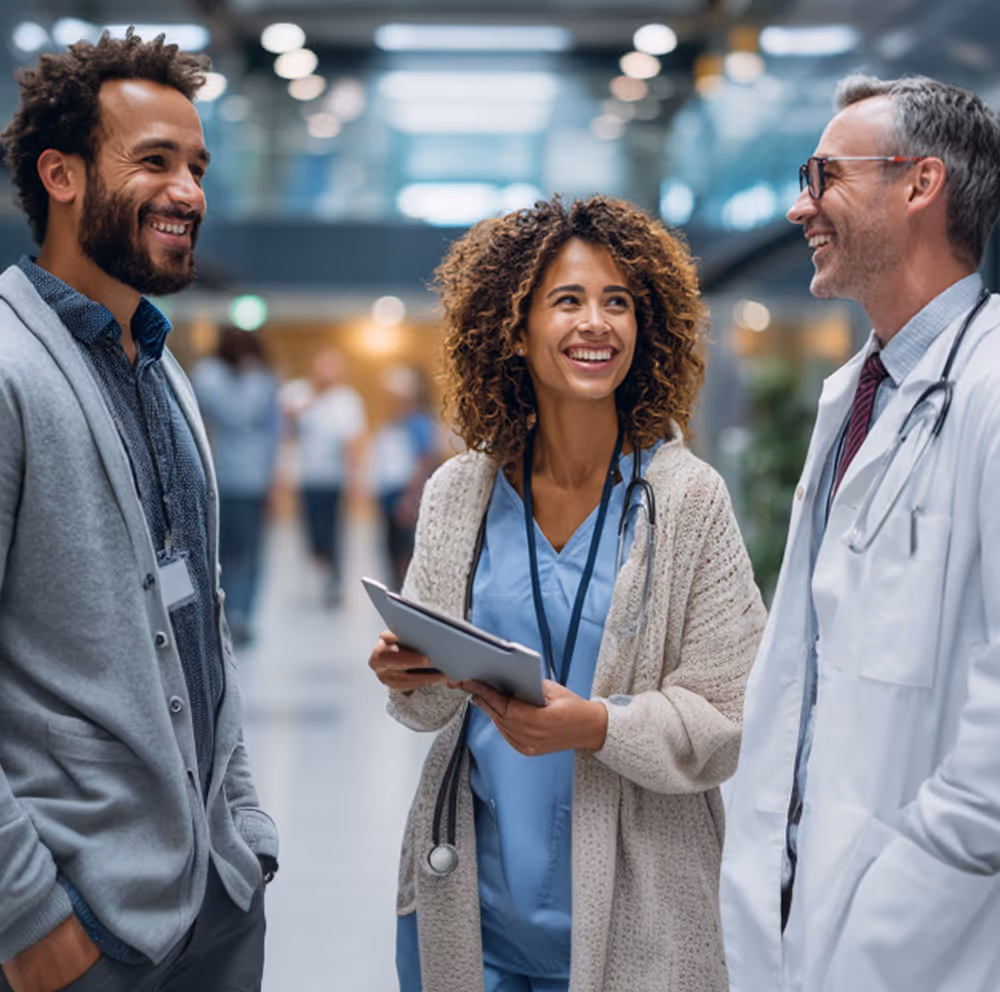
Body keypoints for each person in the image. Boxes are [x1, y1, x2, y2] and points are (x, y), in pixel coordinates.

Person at [368, 195, 766, 992]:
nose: (598, 323)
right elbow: (425, 712)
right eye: (569, 300)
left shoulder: (687, 502)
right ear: (514, 329)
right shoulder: (461, 494)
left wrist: (597, 726)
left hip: (640, 918)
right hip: (470, 913)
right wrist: (407, 674)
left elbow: (732, 716)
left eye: (619, 302)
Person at [0, 29, 277, 992]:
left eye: (197, 166)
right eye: (154, 161)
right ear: (61, 175)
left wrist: (247, 833)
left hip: (215, 900)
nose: (189, 191)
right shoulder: (8, 370)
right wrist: (29, 918)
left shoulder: (163, 373)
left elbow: (202, 629)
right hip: (80, 926)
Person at [720, 75, 1000, 992]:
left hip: (923, 933)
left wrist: (896, 912)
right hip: (809, 900)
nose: (802, 205)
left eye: (824, 176)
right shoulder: (852, 396)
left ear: (920, 185)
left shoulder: (992, 395)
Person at [193, 326, 281, 645]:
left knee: (225, 552)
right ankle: (238, 614)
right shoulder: (260, 380)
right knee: (245, 553)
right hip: (239, 480)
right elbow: (271, 435)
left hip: (227, 479)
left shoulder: (208, 376)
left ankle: (231, 614)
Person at [287, 349, 365, 605]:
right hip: (307, 477)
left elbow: (352, 442)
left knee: (334, 532)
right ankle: (320, 568)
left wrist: (354, 479)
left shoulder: (347, 400)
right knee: (313, 532)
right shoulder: (299, 392)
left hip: (335, 479)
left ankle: (334, 581)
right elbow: (286, 423)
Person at [368, 365, 440, 588]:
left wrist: (410, 499)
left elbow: (424, 461)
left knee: (405, 554)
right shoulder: (394, 423)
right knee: (391, 551)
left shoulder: (419, 423)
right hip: (389, 497)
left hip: (406, 497)